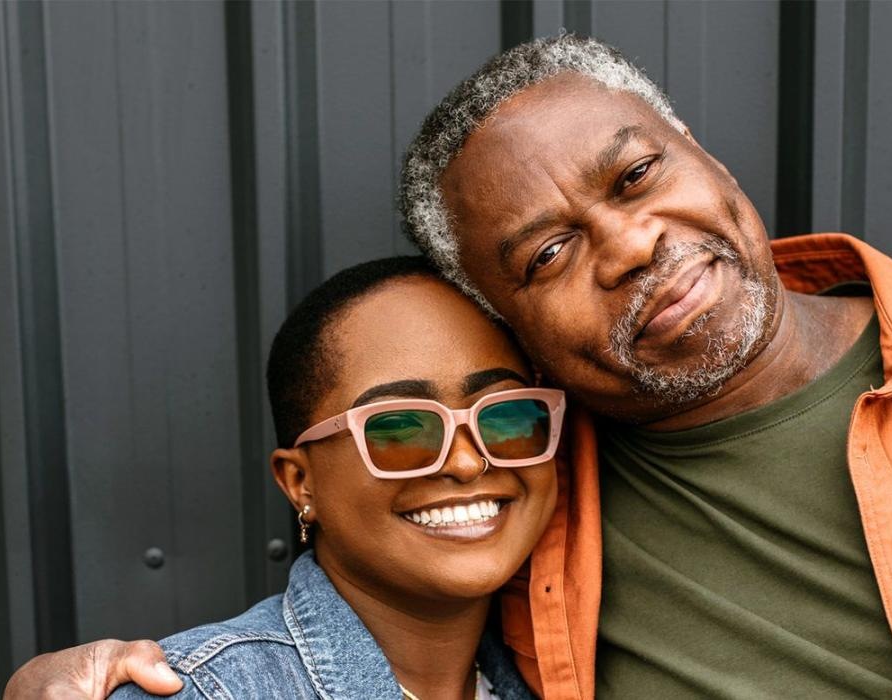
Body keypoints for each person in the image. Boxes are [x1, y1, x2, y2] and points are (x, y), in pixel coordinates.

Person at [8, 35, 892, 699]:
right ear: (505, 316)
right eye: (552, 249)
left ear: (703, 153)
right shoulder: (531, 494)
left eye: (637, 176)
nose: (631, 245)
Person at [103, 256, 557, 699]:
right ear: (301, 482)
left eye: (506, 415)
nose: (465, 462)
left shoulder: (559, 676)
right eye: (398, 428)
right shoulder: (203, 691)